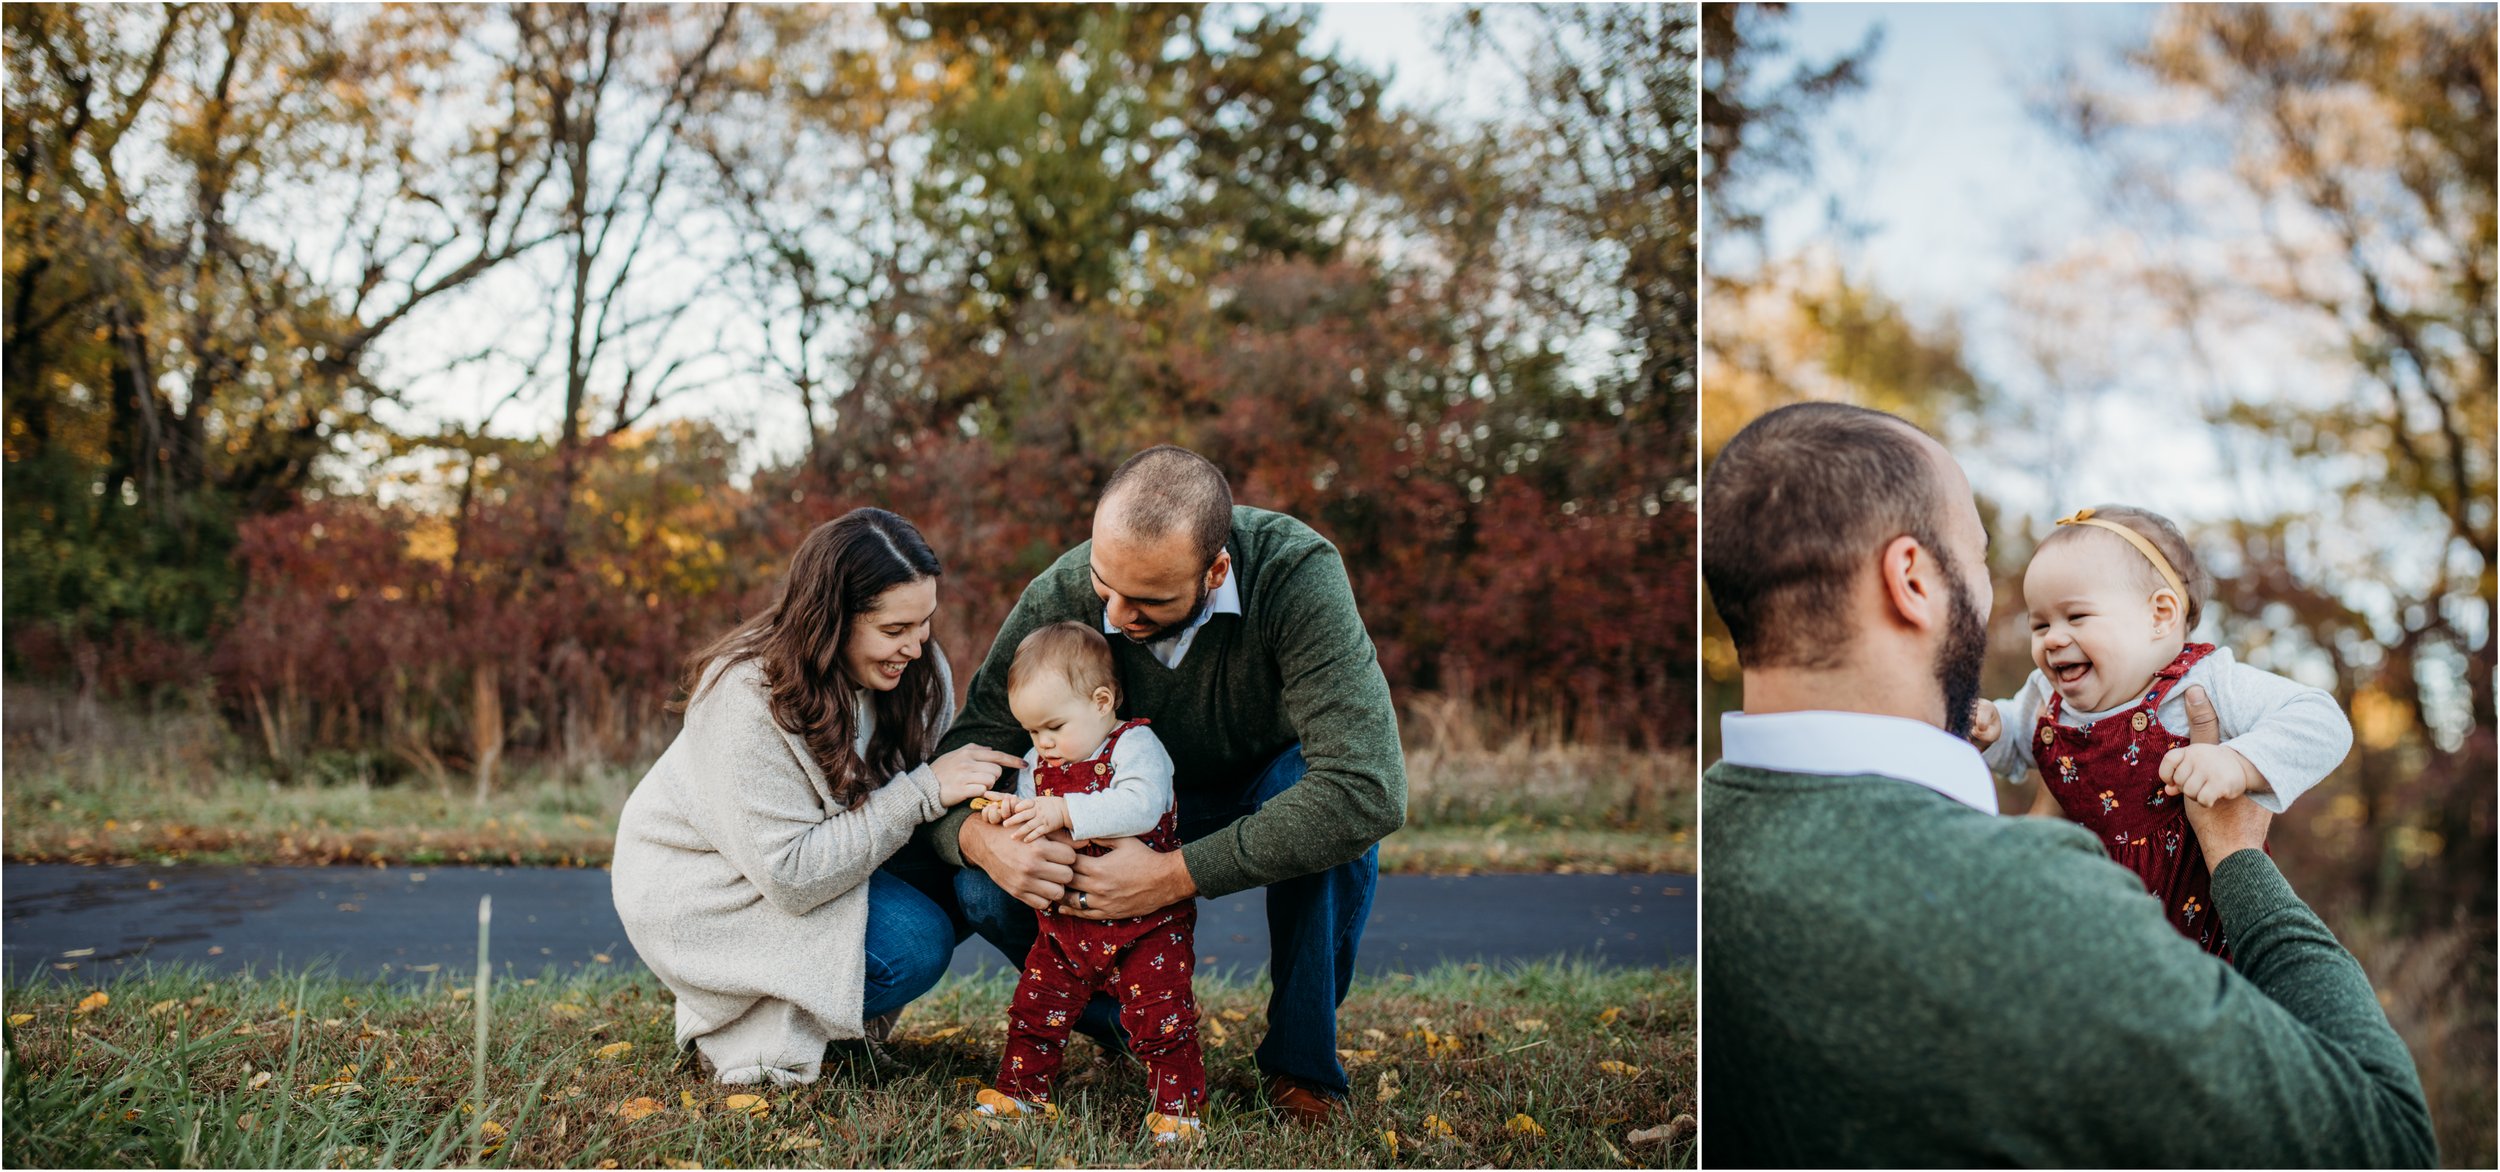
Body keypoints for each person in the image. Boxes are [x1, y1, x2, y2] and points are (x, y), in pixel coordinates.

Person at [1699, 402, 2434, 1166]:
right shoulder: (2034, 907)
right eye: (1981, 561)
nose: (2038, 633)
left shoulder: (1712, 838)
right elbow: (2388, 1145)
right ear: (1913, 580)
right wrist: (2241, 861)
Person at [921, 444, 1405, 1121]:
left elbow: (1367, 787)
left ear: (1216, 570)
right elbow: (966, 754)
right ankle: (1135, 1026)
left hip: (1260, 789)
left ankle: (1302, 1068)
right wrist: (976, 837)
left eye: (1148, 599)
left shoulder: (1295, 574)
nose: (1116, 615)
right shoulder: (1063, 593)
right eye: (1105, 584)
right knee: (981, 885)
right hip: (1106, 803)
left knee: (1326, 817)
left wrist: (1174, 873)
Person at [610, 508, 1027, 1086]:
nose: (916, 646)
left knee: (969, 872)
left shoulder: (917, 672)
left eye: (924, 622)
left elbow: (924, 805)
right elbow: (790, 874)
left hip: (821, 862)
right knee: (914, 942)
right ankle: (767, 1029)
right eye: (893, 630)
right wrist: (925, 791)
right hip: (711, 889)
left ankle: (1127, 1023)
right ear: (831, 621)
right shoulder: (745, 697)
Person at [1969, 504, 2352, 957]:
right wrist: (1994, 731)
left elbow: (2321, 719)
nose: (2052, 639)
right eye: (2040, 623)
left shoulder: (2203, 683)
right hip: (2090, 930)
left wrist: (2238, 762)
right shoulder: (2045, 696)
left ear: (2160, 616)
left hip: (2200, 936)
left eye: (2076, 617)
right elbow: (2019, 743)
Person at [968, 622, 1205, 1143]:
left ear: (1101, 701)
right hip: (1067, 923)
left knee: (1160, 1015)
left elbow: (1141, 807)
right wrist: (1013, 811)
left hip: (1149, 922)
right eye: (1031, 732)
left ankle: (1178, 1110)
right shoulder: (1040, 761)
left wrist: (1063, 809)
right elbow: (1035, 815)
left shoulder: (1135, 745)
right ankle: (1021, 1093)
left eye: (1052, 726)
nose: (1042, 744)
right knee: (1035, 1007)